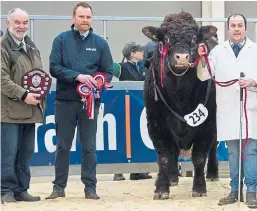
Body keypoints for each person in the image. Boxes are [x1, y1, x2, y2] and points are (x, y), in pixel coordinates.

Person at [45, 2, 113, 200]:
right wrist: (78, 77)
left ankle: (90, 188)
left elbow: (108, 72)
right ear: (73, 18)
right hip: (65, 101)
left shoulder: (101, 43)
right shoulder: (60, 40)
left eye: (88, 17)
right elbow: (54, 67)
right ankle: (59, 187)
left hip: (90, 103)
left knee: (89, 147)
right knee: (63, 146)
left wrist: (99, 84)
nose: (85, 21)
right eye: (81, 17)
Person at [198, 13, 257, 209]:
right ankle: (234, 190)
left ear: (245, 28)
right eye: (233, 25)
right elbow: (204, 75)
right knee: (233, 152)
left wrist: (253, 82)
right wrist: (202, 58)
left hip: (251, 109)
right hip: (228, 108)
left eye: (240, 25)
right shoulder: (218, 52)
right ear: (228, 28)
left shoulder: (255, 50)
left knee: (250, 151)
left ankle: (251, 192)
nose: (237, 29)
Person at [1, 8, 46, 202]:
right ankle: (6, 190)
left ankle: (21, 189)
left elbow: (38, 75)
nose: (22, 26)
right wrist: (24, 94)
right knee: (8, 153)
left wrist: (40, 92)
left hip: (30, 110)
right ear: (8, 23)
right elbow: (2, 80)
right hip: (9, 111)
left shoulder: (31, 45)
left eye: (25, 23)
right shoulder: (3, 47)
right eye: (17, 22)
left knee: (25, 153)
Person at [113, 42, 152, 181]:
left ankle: (137, 171)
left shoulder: (143, 67)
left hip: (140, 107)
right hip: (125, 107)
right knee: (123, 137)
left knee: (136, 138)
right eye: (140, 51)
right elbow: (107, 66)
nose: (142, 53)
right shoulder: (121, 67)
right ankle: (118, 171)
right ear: (133, 53)